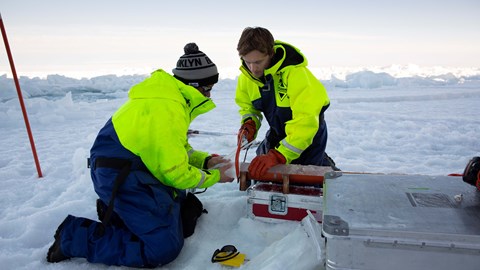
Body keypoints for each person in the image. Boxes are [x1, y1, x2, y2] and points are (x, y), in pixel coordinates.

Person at [46, 43, 234, 268]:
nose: (209, 94)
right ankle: (73, 236)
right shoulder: (167, 109)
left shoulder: (168, 99)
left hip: (132, 168)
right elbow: (176, 174)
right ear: (194, 86)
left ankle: (119, 213)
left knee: (185, 212)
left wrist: (205, 161)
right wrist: (214, 176)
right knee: (163, 248)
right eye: (208, 88)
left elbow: (176, 149)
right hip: (120, 174)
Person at [235, 27, 337, 179]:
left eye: (258, 62)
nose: (253, 69)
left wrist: (279, 156)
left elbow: (306, 121)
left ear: (271, 53)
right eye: (247, 62)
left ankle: (325, 165)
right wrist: (250, 123)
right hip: (277, 132)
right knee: (264, 175)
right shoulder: (247, 78)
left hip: (309, 133)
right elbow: (248, 107)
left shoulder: (296, 74)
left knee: (304, 181)